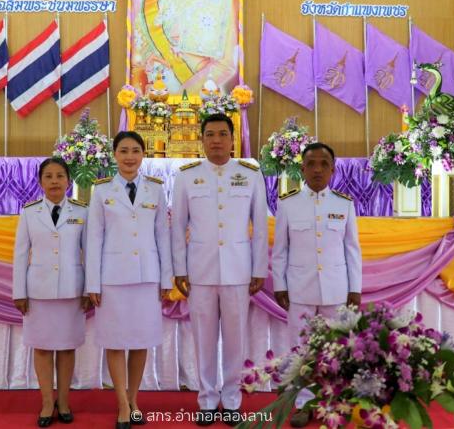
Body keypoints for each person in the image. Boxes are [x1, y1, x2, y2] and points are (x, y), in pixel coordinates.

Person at [171, 113, 268, 427]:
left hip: (239, 271)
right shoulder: (187, 176)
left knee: (236, 338)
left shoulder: (250, 174)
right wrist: (179, 268)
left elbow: (260, 227)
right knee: (203, 338)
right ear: (202, 139)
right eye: (210, 134)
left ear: (232, 138)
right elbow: (178, 227)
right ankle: (207, 400)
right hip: (200, 271)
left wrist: (258, 268)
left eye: (222, 134)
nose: (216, 140)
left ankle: (231, 400)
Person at [85, 131, 173, 429]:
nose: (130, 156)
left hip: (147, 277)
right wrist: (92, 284)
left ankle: (134, 399)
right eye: (124, 150)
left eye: (136, 150)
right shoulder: (101, 191)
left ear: (143, 154)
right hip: (113, 278)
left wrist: (166, 278)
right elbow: (94, 239)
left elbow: (163, 235)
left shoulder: (155, 190)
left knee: (140, 341)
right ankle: (122, 404)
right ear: (114, 154)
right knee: (115, 341)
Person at [272, 143, 362, 427]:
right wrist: (280, 285)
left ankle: (336, 401)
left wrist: (355, 288)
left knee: (336, 348)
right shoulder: (287, 203)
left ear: (333, 169)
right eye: (311, 164)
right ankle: (303, 403)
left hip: (336, 290)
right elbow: (280, 250)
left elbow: (352, 250)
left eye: (324, 164)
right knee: (301, 348)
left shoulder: (343, 204)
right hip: (299, 289)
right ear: (302, 169)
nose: (317, 169)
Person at [13, 157, 89, 427]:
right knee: (43, 348)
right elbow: (21, 254)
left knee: (67, 348)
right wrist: (19, 292)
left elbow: (89, 254)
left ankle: (65, 400)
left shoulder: (82, 211)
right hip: (38, 291)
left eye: (60, 176)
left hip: (72, 290)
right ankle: (47, 402)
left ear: (69, 180)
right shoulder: (29, 212)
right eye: (48, 176)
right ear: (40, 181)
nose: (55, 181)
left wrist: (90, 288)